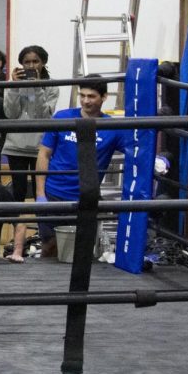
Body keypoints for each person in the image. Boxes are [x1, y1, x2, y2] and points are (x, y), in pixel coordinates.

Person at [35, 75, 130, 258]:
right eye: (82, 95)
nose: (86, 101)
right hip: (54, 194)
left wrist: (159, 158)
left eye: (92, 96)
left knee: (81, 253)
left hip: (86, 197)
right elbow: (44, 154)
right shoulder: (62, 117)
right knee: (50, 248)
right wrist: (40, 194)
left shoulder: (113, 127)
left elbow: (136, 151)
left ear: (104, 97)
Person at [3, 45, 60, 262]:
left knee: (40, 194)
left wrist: (36, 87)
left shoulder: (52, 86)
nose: (31, 66)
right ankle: (15, 243)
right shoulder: (13, 82)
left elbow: (42, 116)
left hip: (39, 147)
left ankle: (42, 237)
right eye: (27, 62)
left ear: (43, 62)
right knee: (16, 194)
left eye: (35, 61)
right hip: (15, 144)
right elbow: (11, 113)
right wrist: (15, 87)